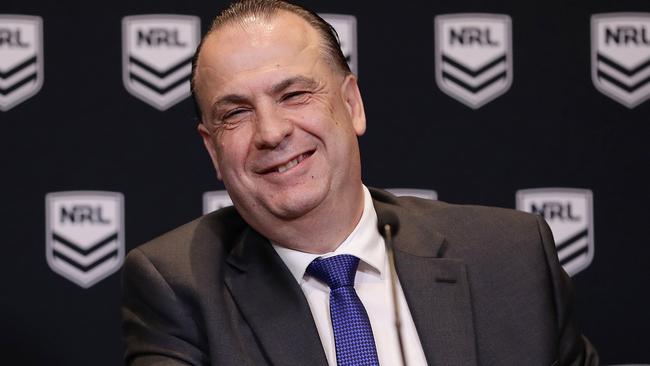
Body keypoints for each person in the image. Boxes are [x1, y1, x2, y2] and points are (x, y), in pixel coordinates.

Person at [121, 1, 599, 365]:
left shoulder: (509, 257)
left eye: (294, 94)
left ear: (352, 105)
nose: (271, 132)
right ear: (212, 150)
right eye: (236, 113)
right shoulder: (178, 286)